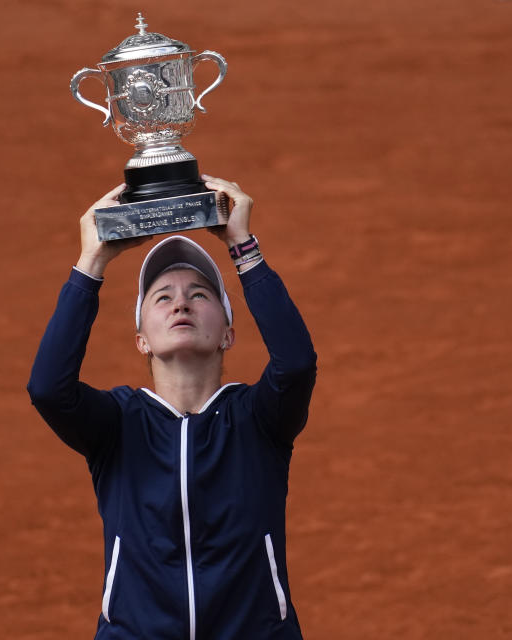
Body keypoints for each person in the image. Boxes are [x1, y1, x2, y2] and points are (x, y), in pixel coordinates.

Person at [27, 175, 317, 639]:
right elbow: (47, 388)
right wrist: (92, 261)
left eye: (200, 295)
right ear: (142, 340)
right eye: (162, 297)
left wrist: (243, 246)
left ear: (228, 332)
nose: (180, 302)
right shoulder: (118, 424)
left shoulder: (258, 419)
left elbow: (297, 364)